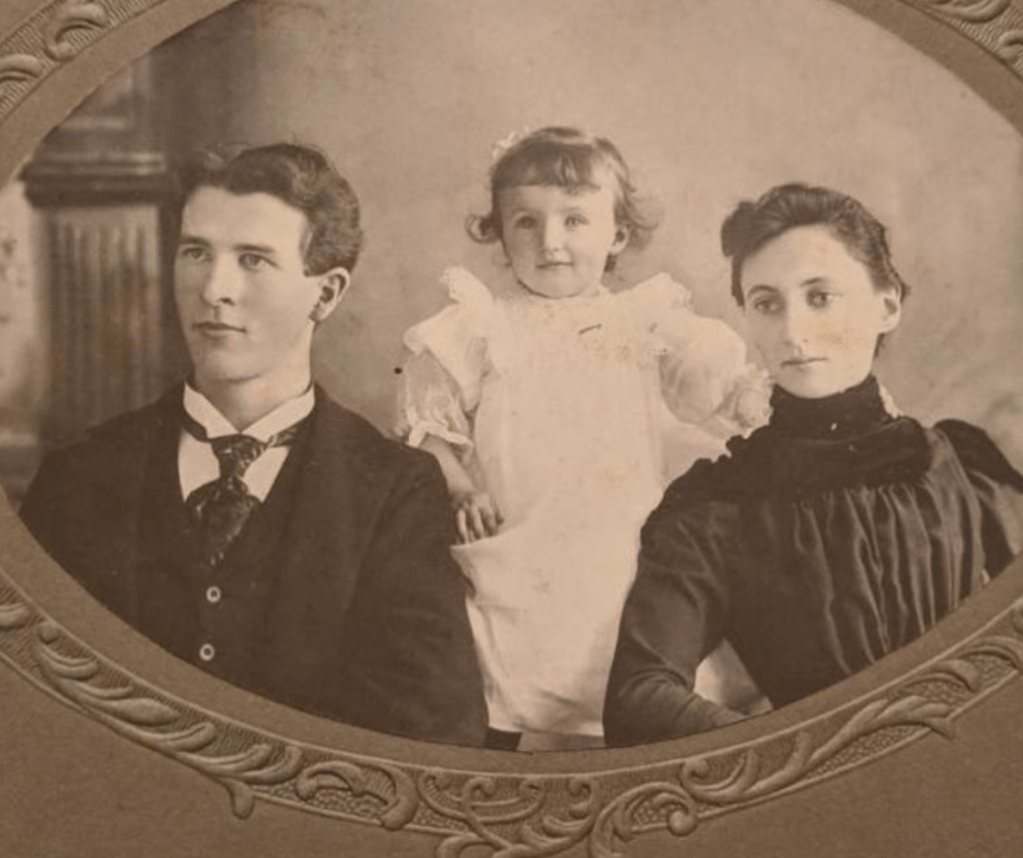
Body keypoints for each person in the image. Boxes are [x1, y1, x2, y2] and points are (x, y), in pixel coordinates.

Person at [19, 142, 487, 746]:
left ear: (327, 293)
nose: (214, 288)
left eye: (253, 260)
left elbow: (432, 737)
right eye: (195, 253)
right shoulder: (79, 476)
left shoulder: (394, 491)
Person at [604, 182, 1023, 745]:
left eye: (820, 297)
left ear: (887, 304)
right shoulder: (717, 508)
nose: (793, 333)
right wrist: (807, 752)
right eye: (767, 303)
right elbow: (638, 698)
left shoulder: (961, 468)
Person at [396, 126, 759, 747]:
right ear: (500, 232)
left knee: (623, 655)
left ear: (616, 234)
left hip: (618, 540)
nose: (551, 242)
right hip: (521, 541)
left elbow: (711, 384)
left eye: (574, 221)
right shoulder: (478, 326)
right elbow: (429, 430)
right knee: (515, 664)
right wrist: (461, 489)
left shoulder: (643, 319)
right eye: (526, 223)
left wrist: (743, 391)